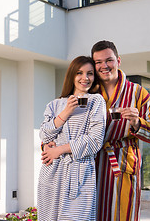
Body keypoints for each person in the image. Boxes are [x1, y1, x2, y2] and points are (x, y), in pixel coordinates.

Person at [91, 40, 150, 221]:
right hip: (91, 166)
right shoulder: (89, 92)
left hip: (123, 166)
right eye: (98, 62)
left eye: (109, 60)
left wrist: (137, 123)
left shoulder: (139, 93)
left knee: (123, 215)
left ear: (118, 61)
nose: (104, 66)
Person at [37, 56, 106, 221]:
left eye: (90, 73)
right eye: (79, 73)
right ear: (71, 76)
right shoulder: (54, 105)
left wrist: (59, 150)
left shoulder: (96, 101)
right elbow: (45, 135)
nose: (85, 78)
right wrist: (66, 111)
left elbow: (95, 140)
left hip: (80, 171)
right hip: (52, 171)